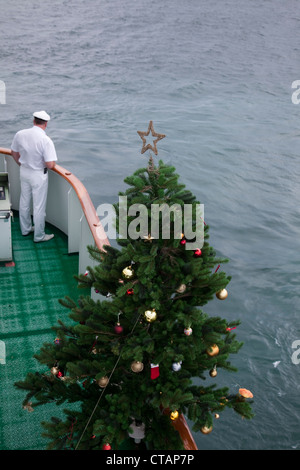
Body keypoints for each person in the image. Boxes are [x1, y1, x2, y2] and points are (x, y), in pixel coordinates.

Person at [11, 111, 57, 242]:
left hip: (24, 171)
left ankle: (25, 229)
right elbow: (49, 164)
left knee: (24, 201)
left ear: (33, 121)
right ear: (46, 124)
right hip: (38, 175)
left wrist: (21, 164)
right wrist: (53, 164)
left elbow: (14, 153)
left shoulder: (20, 134)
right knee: (39, 206)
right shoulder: (45, 140)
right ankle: (39, 236)